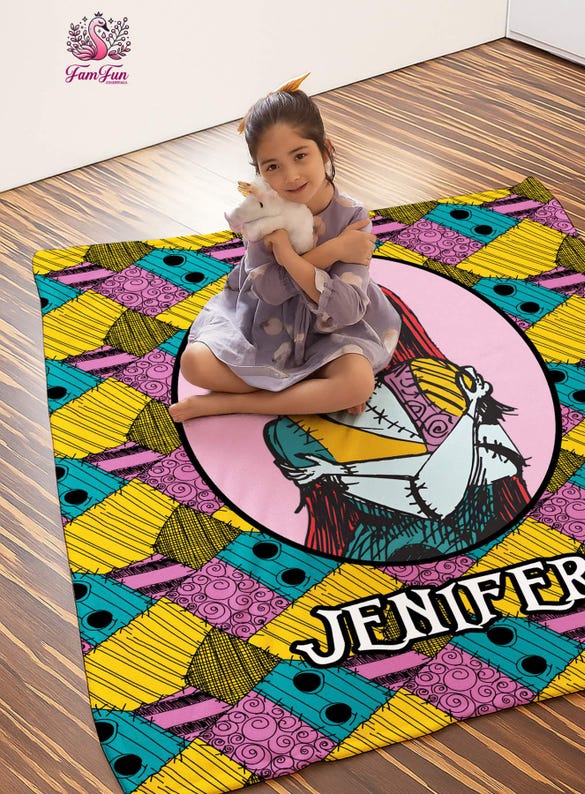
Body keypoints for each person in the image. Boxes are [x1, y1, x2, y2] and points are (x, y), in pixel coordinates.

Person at [168, 74, 401, 423]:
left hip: (331, 330)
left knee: (356, 382)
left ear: (326, 150)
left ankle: (231, 402)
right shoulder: (262, 213)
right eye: (272, 167)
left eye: (300, 155)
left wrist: (293, 256)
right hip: (264, 325)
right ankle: (309, 394)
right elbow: (269, 290)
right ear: (259, 173)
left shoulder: (353, 218)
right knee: (194, 363)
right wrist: (333, 251)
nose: (290, 176)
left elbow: (348, 311)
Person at [264, 288, 532, 562]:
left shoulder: (426, 380)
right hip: (387, 543)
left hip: (475, 528)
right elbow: (429, 490)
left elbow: (452, 480)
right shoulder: (295, 433)